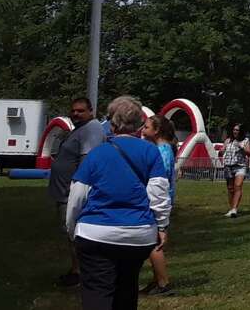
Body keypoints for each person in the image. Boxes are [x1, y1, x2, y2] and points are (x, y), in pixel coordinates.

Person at [66, 96, 171, 310]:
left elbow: (77, 194)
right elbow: (159, 193)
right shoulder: (150, 152)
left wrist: (71, 227)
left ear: (112, 125)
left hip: (95, 233)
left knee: (97, 292)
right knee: (127, 290)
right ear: (140, 125)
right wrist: (161, 226)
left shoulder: (97, 153)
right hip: (138, 235)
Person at [49, 97, 106, 287]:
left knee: (76, 234)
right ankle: (77, 270)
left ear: (91, 111)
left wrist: (77, 189)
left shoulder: (92, 129)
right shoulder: (80, 129)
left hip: (74, 195)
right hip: (65, 193)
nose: (75, 114)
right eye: (73, 111)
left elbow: (88, 163)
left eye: (81, 111)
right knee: (71, 234)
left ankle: (80, 273)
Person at [141, 115, 178, 296]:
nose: (143, 129)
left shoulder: (162, 152)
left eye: (146, 127)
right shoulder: (162, 149)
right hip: (159, 200)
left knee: (154, 242)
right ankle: (157, 280)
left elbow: (159, 181)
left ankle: (163, 283)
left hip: (158, 201)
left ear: (156, 131)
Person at [218, 123, 250, 218]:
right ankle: (231, 208)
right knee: (230, 188)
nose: (235, 131)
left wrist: (241, 147)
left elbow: (249, 153)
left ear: (241, 132)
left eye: (237, 130)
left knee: (238, 186)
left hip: (240, 166)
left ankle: (235, 209)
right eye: (234, 130)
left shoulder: (245, 140)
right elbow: (223, 149)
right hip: (228, 166)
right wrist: (221, 151)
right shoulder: (228, 140)